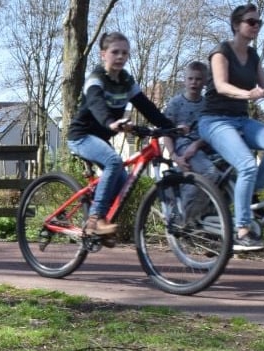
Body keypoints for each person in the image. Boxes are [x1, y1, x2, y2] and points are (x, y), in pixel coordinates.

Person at [198, 3, 264, 252]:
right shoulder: (221, 52)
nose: (256, 26)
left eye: (258, 22)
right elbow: (220, 85)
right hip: (214, 120)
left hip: (241, 120)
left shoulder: (253, 56)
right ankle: (242, 230)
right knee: (247, 165)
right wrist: (248, 94)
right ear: (236, 25)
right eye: (251, 22)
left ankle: (251, 195)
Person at [67, 32, 180, 236]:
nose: (120, 57)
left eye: (125, 53)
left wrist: (171, 127)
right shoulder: (96, 79)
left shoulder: (126, 81)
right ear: (103, 55)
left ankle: (102, 226)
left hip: (100, 139)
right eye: (115, 52)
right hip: (81, 136)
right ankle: (95, 220)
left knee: (122, 180)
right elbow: (96, 104)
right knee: (114, 162)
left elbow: (147, 107)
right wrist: (111, 122)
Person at [161, 61, 223, 183]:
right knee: (209, 174)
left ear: (205, 81)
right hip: (183, 146)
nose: (194, 82)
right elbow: (166, 132)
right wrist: (174, 157)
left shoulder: (207, 105)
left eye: (198, 79)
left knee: (224, 175)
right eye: (190, 78)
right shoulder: (175, 103)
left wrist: (198, 144)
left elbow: (212, 131)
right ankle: (187, 202)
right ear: (184, 80)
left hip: (203, 146)